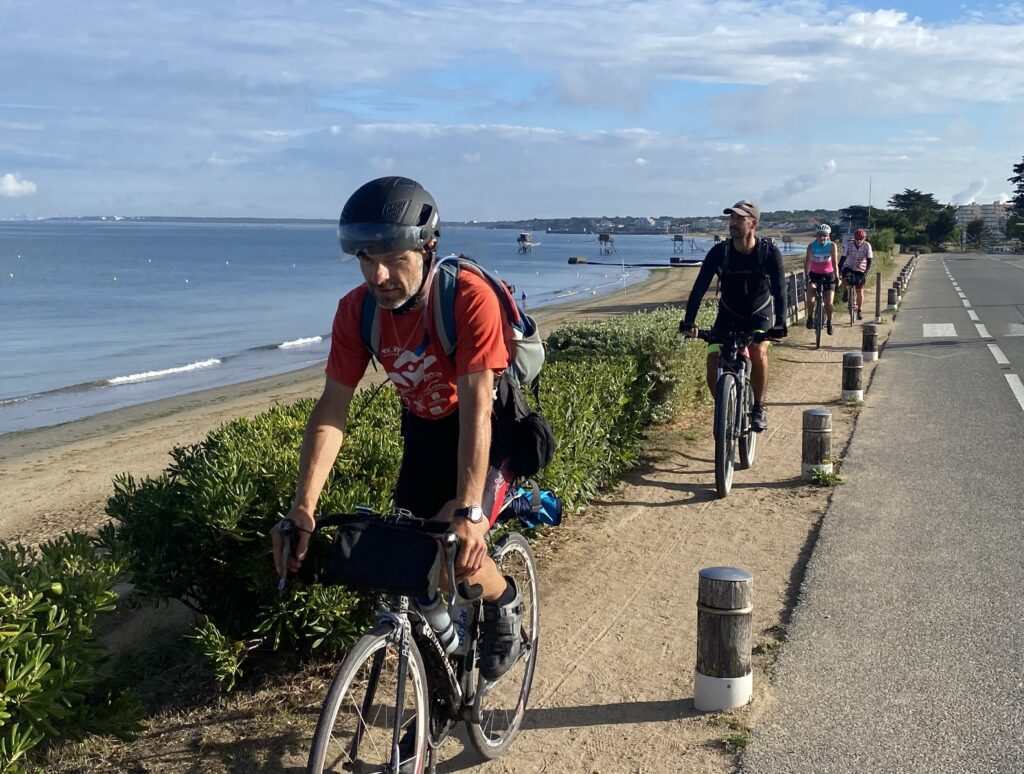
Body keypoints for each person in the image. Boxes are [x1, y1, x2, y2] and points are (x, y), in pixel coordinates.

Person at [271, 176, 523, 681]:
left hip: (492, 431)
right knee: (406, 564)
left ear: (427, 248)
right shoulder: (357, 311)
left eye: (394, 258)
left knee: (456, 553)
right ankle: (442, 678)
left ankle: (504, 604)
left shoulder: (467, 298)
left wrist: (469, 511)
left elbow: (477, 409)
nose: (379, 275)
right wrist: (303, 507)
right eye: (366, 259)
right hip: (425, 435)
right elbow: (332, 409)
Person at [680, 200, 788, 432]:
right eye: (732, 218)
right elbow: (699, 288)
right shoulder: (720, 252)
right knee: (713, 359)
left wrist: (780, 322)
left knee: (757, 352)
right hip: (728, 313)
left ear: (753, 224)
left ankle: (758, 407)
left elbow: (780, 290)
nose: (733, 223)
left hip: (759, 313)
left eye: (740, 218)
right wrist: (689, 321)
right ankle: (724, 407)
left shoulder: (769, 252)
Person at [804, 223, 839, 334]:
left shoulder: (832, 245)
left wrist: (837, 277)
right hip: (814, 275)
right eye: (820, 235)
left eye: (825, 235)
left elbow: (834, 262)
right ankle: (810, 318)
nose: (822, 238)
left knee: (829, 302)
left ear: (828, 235)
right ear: (817, 236)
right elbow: (808, 262)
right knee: (811, 299)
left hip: (829, 275)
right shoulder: (811, 246)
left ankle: (829, 322)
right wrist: (806, 276)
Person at [840, 228, 872, 320]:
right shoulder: (849, 245)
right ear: (854, 238)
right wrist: (839, 269)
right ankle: (845, 292)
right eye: (857, 239)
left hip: (860, 269)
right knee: (844, 277)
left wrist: (865, 273)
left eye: (861, 239)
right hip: (849, 267)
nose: (859, 241)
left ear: (864, 238)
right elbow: (843, 258)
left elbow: (870, 261)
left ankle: (859, 310)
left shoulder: (867, 246)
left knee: (860, 290)